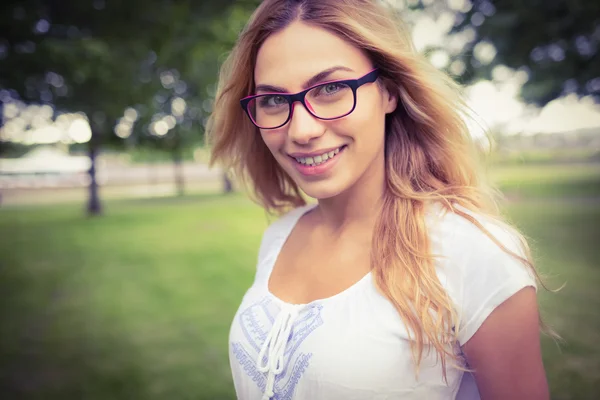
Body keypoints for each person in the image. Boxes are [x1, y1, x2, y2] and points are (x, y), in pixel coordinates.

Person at [208, 0, 552, 399]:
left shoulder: (473, 252)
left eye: (331, 88)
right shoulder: (280, 237)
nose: (301, 130)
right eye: (273, 100)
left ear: (388, 91)